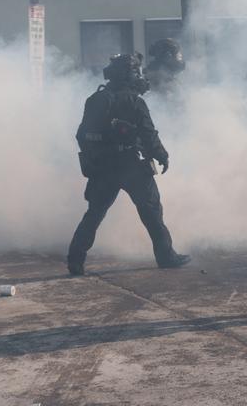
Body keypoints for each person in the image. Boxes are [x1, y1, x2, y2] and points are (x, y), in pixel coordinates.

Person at [67, 52, 190, 275]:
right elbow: (149, 135)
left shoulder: (94, 100)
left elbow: (81, 135)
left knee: (94, 214)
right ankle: (166, 256)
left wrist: (95, 156)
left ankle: (75, 261)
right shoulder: (135, 102)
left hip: (102, 168)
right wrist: (162, 155)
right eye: (137, 73)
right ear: (129, 75)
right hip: (131, 165)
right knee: (151, 212)